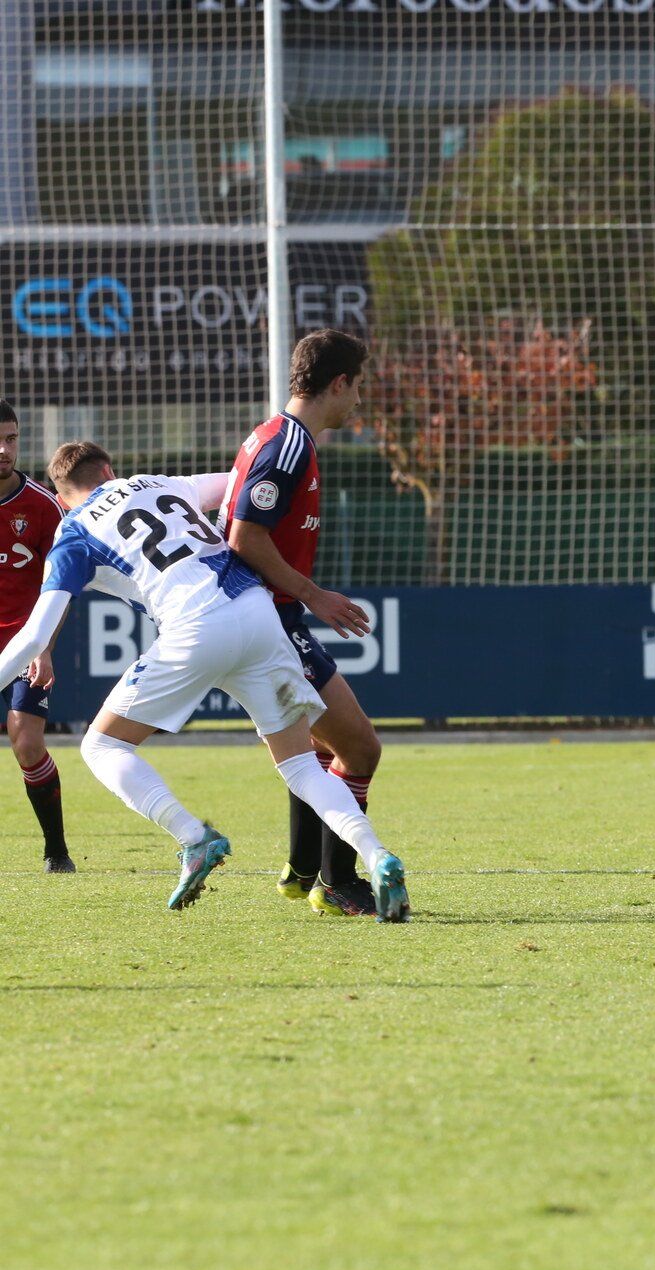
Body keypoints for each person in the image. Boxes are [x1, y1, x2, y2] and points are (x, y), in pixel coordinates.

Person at [0, 442, 407, 918]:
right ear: (109, 470)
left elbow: (36, 635)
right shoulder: (159, 483)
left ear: (60, 496)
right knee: (301, 767)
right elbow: (239, 484)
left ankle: (194, 837)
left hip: (194, 626)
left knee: (101, 746)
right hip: (257, 612)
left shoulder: (74, 529)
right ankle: (377, 856)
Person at [221, 329, 383, 917]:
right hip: (269, 620)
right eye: (357, 386)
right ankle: (337, 882)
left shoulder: (276, 436)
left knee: (315, 744)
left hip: (267, 615)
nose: (358, 399)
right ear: (337, 384)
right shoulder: (287, 446)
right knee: (359, 748)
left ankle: (303, 866)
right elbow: (244, 536)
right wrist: (316, 596)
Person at [0, 401, 72, 872]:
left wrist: (43, 647)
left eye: (11, 439)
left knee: (27, 742)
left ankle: (57, 852)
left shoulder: (43, 507)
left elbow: (60, 587)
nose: (4, 450)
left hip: (24, 643)